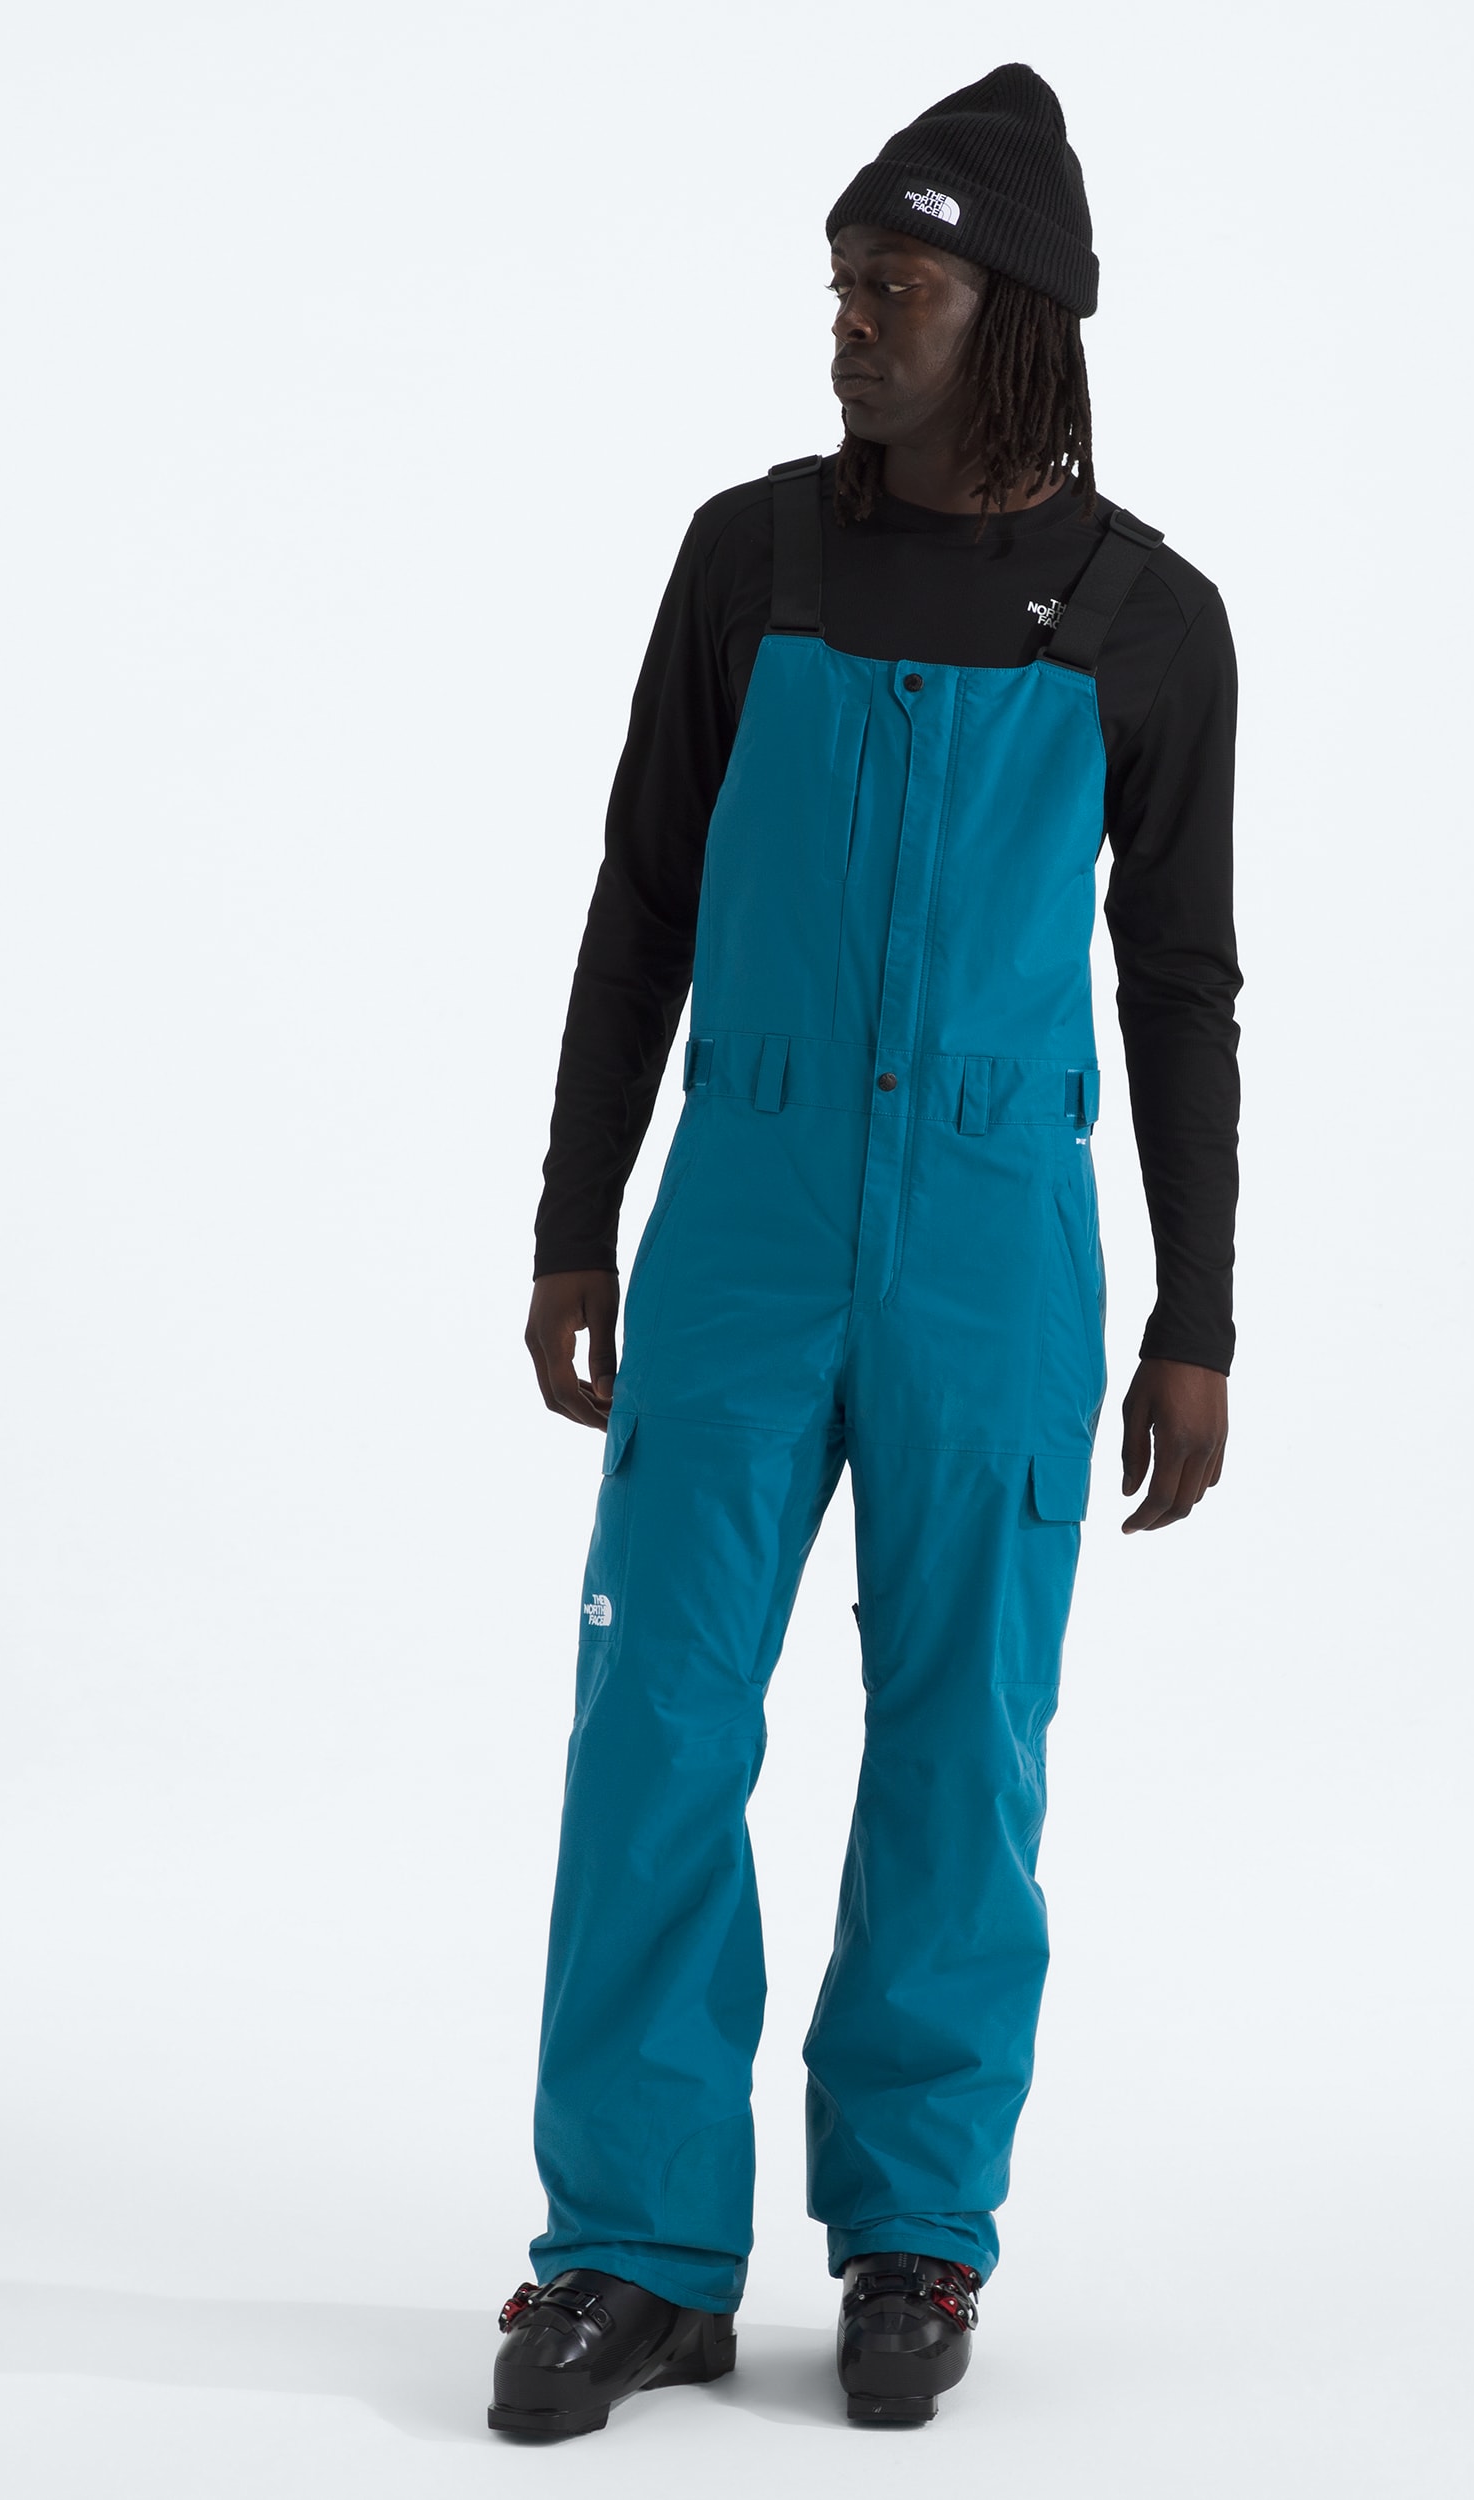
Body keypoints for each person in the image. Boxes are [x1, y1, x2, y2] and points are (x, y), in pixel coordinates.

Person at [489, 63, 1241, 2441]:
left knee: (958, 1737)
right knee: (657, 1710)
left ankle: (916, 2226)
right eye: (837, 281)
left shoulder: (1147, 621)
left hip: (997, 1250)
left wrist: (1197, 1313)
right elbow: (640, 897)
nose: (846, 320)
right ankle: (630, 2250)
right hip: (743, 1220)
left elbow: (1179, 983)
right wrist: (573, 1213)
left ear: (1006, 314)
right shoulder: (750, 561)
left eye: (890, 284)